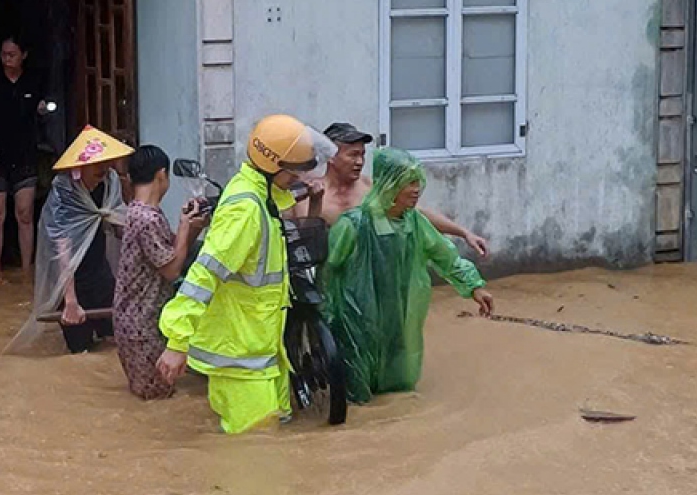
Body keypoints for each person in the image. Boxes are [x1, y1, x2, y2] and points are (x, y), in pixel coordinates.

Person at [156, 114, 334, 436]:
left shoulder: (262, 198)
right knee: (252, 454)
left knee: (271, 443)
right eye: (293, 172)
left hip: (262, 348)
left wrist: (300, 195)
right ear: (273, 167)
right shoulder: (245, 211)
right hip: (240, 359)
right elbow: (204, 275)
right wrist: (176, 341)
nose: (296, 178)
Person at [320, 147, 495, 406]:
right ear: (390, 184)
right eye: (408, 183)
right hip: (356, 319)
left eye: (418, 182)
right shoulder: (353, 225)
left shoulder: (415, 223)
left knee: (399, 389)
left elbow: (445, 256)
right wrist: (327, 315)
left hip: (399, 317)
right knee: (358, 397)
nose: (416, 189)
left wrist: (475, 287)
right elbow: (329, 271)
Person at [5, 127, 131, 354]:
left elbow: (119, 223)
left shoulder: (110, 182)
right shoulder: (65, 192)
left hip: (99, 273)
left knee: (115, 343)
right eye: (96, 165)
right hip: (70, 280)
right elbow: (62, 246)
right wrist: (70, 300)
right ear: (78, 167)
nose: (102, 169)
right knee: (80, 353)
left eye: (105, 163)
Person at [113, 146, 208, 400]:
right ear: (162, 175)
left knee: (152, 395)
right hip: (142, 324)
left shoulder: (140, 212)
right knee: (156, 398)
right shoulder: (147, 219)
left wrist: (192, 228)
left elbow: (170, 252)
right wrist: (185, 226)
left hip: (136, 321)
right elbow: (171, 270)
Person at [313, 123, 490, 258]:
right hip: (330, 287)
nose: (360, 162)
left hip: (373, 286)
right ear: (332, 157)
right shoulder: (312, 195)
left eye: (362, 155)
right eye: (353, 155)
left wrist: (464, 233)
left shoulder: (371, 189)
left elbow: (416, 213)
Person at [0, 35, 53, 288]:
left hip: (25, 156)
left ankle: (26, 272)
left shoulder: (34, 81)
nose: (7, 59)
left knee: (25, 214)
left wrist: (42, 109)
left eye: (12, 55)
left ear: (23, 55)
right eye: (3, 54)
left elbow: (45, 114)